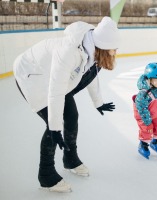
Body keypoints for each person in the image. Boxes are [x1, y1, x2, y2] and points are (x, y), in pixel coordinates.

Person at [13, 16, 120, 192]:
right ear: (104, 46)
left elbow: (89, 75)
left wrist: (98, 102)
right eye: (113, 48)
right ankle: (46, 175)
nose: (115, 51)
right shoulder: (69, 51)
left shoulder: (93, 48)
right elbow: (55, 89)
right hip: (31, 74)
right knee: (52, 126)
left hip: (51, 74)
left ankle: (70, 159)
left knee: (71, 116)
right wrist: (55, 127)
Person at [132, 63, 157, 159]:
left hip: (155, 113)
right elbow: (142, 108)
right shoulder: (143, 93)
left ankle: (156, 142)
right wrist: (148, 122)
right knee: (147, 130)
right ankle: (143, 144)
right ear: (149, 78)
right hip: (143, 115)